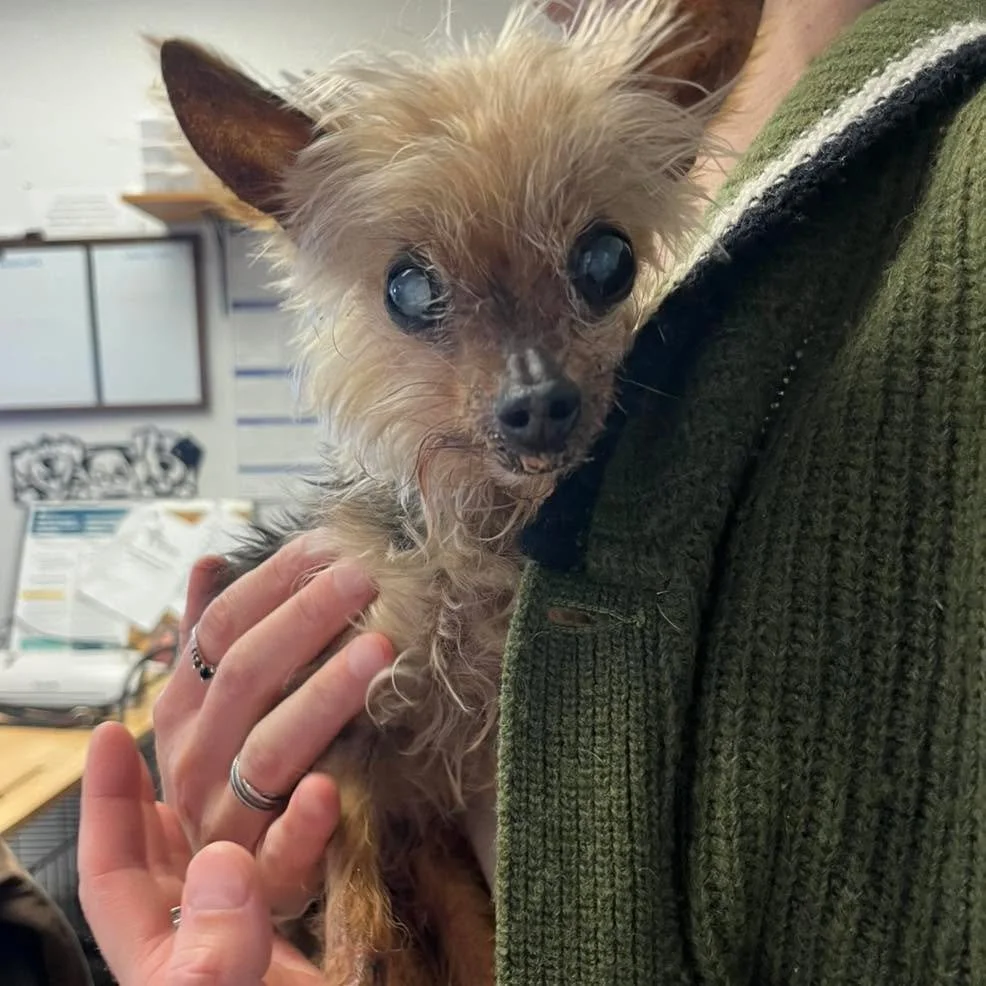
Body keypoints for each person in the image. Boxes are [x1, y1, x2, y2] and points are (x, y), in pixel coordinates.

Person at [78, 0, 986, 982]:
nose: (529, 382)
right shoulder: (379, 581)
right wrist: (255, 871)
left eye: (596, 269)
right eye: (421, 296)